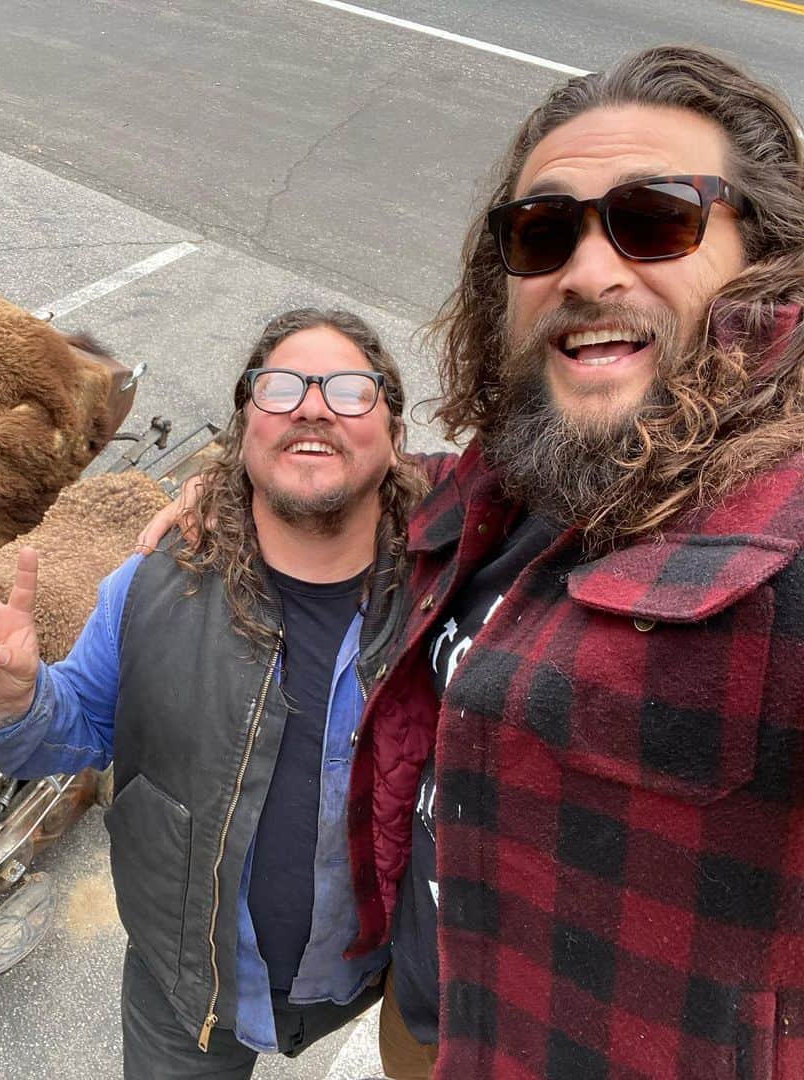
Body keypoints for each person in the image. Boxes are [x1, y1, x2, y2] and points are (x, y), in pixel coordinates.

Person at [141, 43, 804, 1080]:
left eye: (657, 219)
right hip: (433, 1025)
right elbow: (407, 469)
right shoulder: (509, 481)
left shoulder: (781, 545)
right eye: (543, 233)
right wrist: (248, 478)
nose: (590, 272)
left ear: (765, 256)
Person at [0, 308, 428, 1078]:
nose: (310, 405)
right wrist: (13, 700)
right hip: (187, 990)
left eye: (348, 390)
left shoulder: (453, 593)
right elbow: (65, 737)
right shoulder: (151, 585)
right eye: (279, 388)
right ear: (244, 429)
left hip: (387, 975)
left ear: (395, 436)